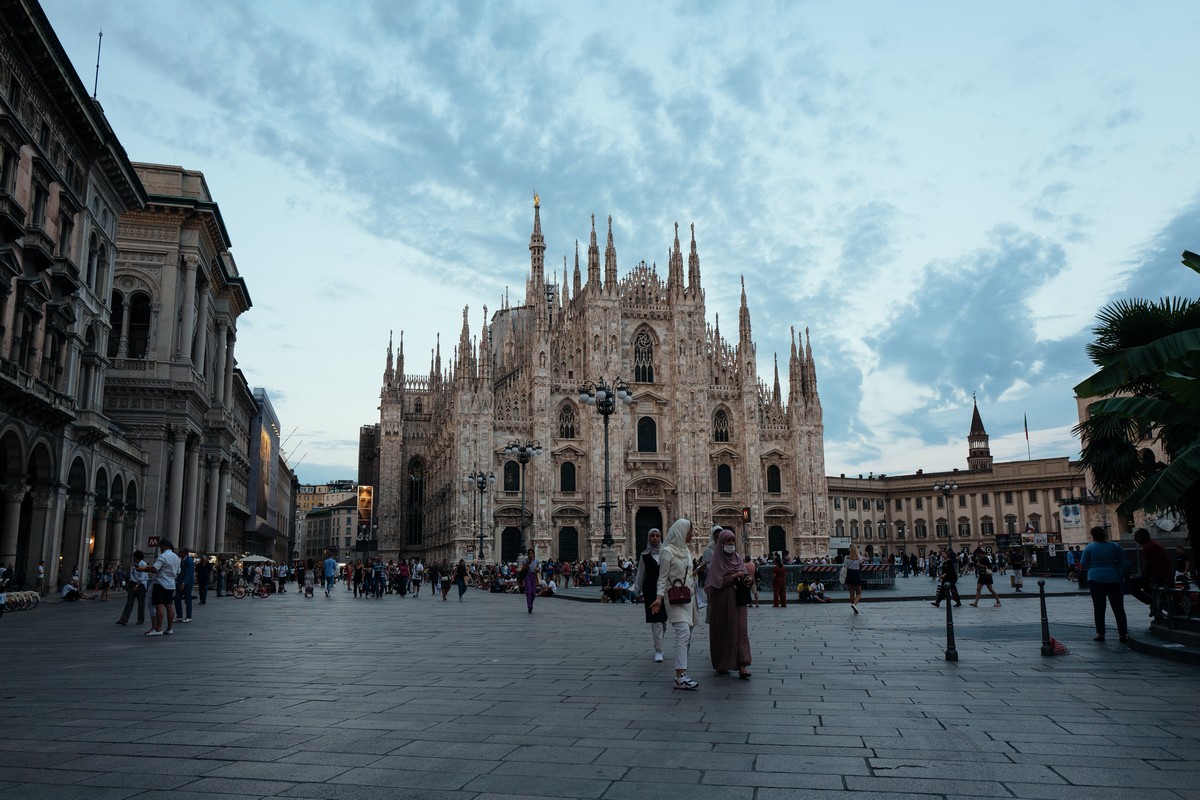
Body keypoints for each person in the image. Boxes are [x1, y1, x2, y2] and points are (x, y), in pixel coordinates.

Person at [649, 518, 699, 690]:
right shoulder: (667, 552)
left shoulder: (686, 551)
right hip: (674, 599)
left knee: (687, 635)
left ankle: (682, 671)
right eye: (690, 531)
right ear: (681, 531)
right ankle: (680, 675)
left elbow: (687, 574)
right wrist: (658, 598)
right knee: (683, 632)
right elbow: (662, 578)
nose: (692, 534)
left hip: (689, 598)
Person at [706, 529, 752, 679]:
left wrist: (747, 579)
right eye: (728, 541)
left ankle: (742, 664)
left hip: (739, 600)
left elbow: (744, 573)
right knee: (725, 631)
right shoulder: (716, 560)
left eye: (733, 541)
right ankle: (722, 663)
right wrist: (734, 576)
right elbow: (715, 582)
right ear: (721, 543)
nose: (731, 544)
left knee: (741, 630)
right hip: (723, 602)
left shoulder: (738, 558)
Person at [1079, 526, 1130, 642]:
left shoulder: (1089, 547)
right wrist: (1127, 579)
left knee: (1099, 608)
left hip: (1095, 579)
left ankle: (1100, 633)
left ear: (1093, 536)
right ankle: (1122, 634)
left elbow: (1084, 564)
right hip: (1114, 578)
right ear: (1105, 535)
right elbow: (1126, 564)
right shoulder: (1114, 546)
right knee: (1118, 608)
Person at [635, 528, 668, 662]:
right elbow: (640, 573)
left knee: (663, 622)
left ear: (661, 537)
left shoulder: (666, 553)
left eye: (657, 535)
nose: (655, 538)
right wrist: (637, 591)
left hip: (665, 589)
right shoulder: (644, 555)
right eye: (652, 536)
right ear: (649, 538)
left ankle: (658, 642)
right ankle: (658, 650)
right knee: (656, 620)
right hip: (650, 589)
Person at [138, 539, 181, 636]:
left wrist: (144, 568)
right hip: (171, 584)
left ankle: (158, 628)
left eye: (160, 546)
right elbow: (178, 571)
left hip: (160, 583)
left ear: (164, 546)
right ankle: (170, 628)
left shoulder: (163, 556)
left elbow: (154, 569)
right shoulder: (176, 557)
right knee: (169, 605)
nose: (160, 548)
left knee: (159, 605)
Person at [1129, 528, 1173, 611]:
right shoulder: (1152, 545)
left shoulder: (1149, 547)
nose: (1135, 539)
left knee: (1130, 584)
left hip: (1159, 576)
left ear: (1144, 536)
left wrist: (1142, 576)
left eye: (1137, 536)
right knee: (1144, 585)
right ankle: (1155, 601)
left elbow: (1147, 564)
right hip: (1162, 575)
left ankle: (1152, 602)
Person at [116, 550, 149, 625]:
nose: (133, 558)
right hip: (132, 583)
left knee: (141, 603)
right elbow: (132, 574)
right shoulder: (134, 564)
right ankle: (124, 619)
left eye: (134, 557)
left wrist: (137, 586)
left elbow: (142, 577)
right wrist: (130, 583)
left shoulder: (143, 564)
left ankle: (140, 620)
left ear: (137, 557)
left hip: (141, 585)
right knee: (129, 602)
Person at [174, 548, 195, 622]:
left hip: (187, 583)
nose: (178, 553)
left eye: (180, 552)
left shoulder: (188, 560)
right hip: (181, 582)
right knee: (177, 599)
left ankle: (188, 617)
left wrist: (183, 583)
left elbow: (188, 573)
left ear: (184, 553)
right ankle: (179, 616)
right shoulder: (183, 560)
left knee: (187, 599)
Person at [844, 544, 863, 614]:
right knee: (859, 593)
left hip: (849, 574)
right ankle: (854, 604)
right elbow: (861, 567)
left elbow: (845, 566)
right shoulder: (859, 559)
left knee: (851, 593)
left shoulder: (846, 557)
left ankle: (853, 606)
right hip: (856, 574)